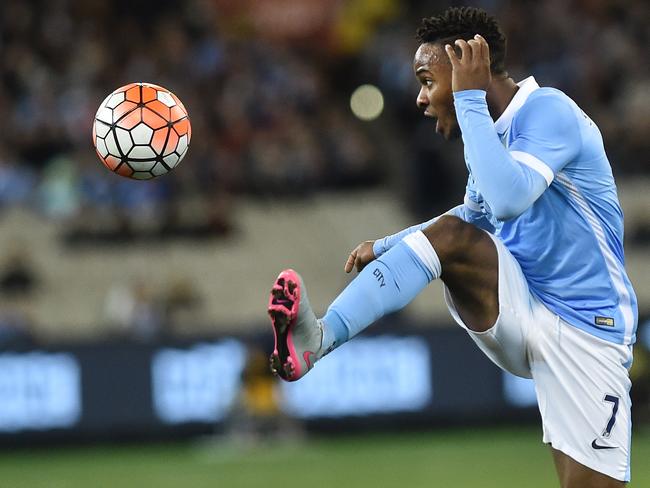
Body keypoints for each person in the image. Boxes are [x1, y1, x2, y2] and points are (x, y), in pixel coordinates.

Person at [267, 7, 637, 487]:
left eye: (427, 80)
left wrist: (467, 98)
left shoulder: (549, 111)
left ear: (470, 69)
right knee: (451, 239)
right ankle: (317, 339)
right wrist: (388, 244)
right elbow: (468, 218)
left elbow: (505, 200)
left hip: (589, 328)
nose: (421, 98)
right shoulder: (485, 135)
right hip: (524, 308)